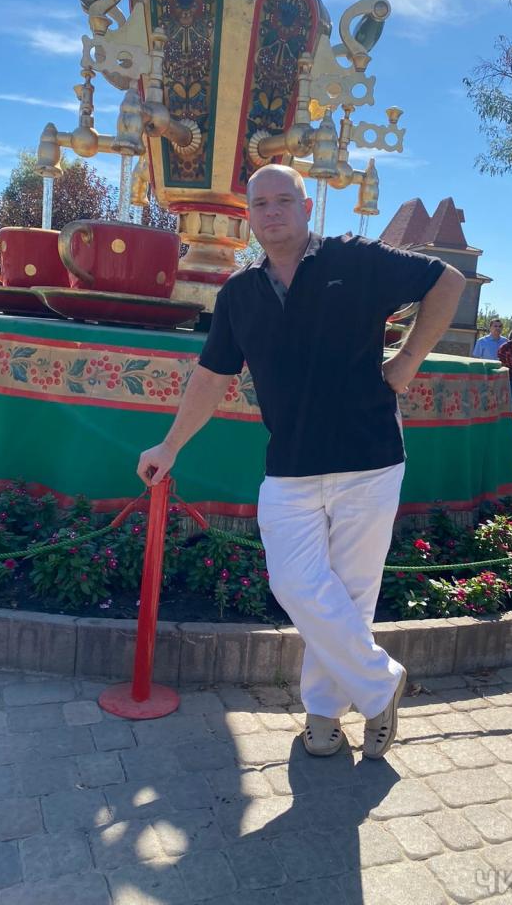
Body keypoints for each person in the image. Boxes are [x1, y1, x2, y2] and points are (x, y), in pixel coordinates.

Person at [137, 164, 465, 760]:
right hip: (289, 465)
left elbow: (447, 280)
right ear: (249, 216)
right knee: (295, 583)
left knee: (352, 595)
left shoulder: (355, 259)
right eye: (260, 203)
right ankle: (381, 684)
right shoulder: (240, 293)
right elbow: (211, 377)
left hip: (369, 458)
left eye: (283, 200)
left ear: (306, 206)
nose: (272, 212)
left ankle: (322, 714)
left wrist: (408, 359)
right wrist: (170, 444)